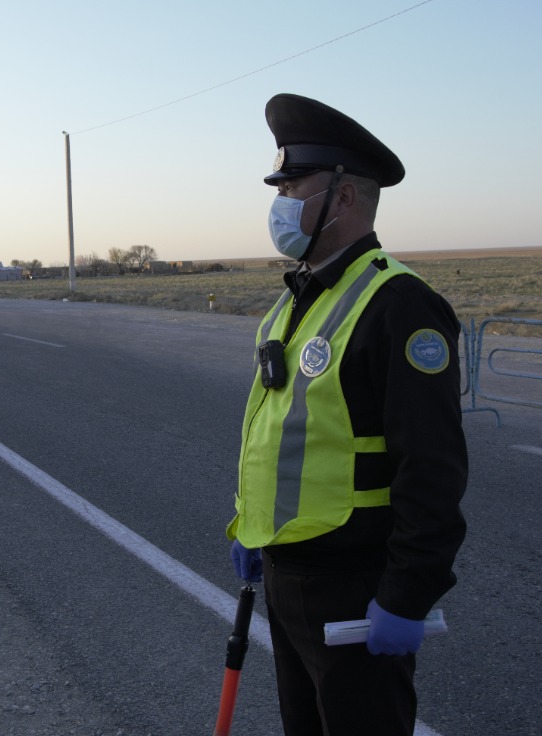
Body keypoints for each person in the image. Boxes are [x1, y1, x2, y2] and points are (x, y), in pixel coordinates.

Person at [226, 93, 468, 736]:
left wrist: (407, 596)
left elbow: (433, 468)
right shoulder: (296, 300)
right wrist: (253, 533)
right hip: (287, 574)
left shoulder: (400, 305)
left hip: (355, 590)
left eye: (294, 184)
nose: (280, 201)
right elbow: (282, 431)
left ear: (345, 197)